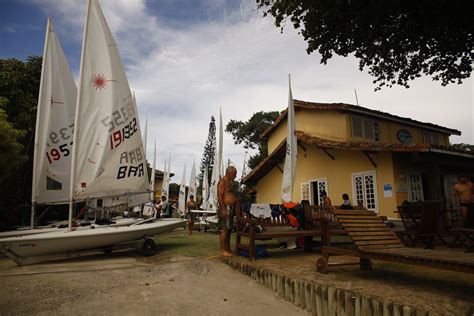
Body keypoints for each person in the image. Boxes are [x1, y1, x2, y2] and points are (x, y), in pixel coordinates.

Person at [217, 166, 239, 257]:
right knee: (225, 229)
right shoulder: (223, 181)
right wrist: (223, 208)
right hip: (225, 207)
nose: (235, 176)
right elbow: (219, 195)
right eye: (234, 174)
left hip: (230, 207)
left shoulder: (230, 182)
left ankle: (228, 248)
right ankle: (223, 250)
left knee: (229, 229)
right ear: (228, 173)